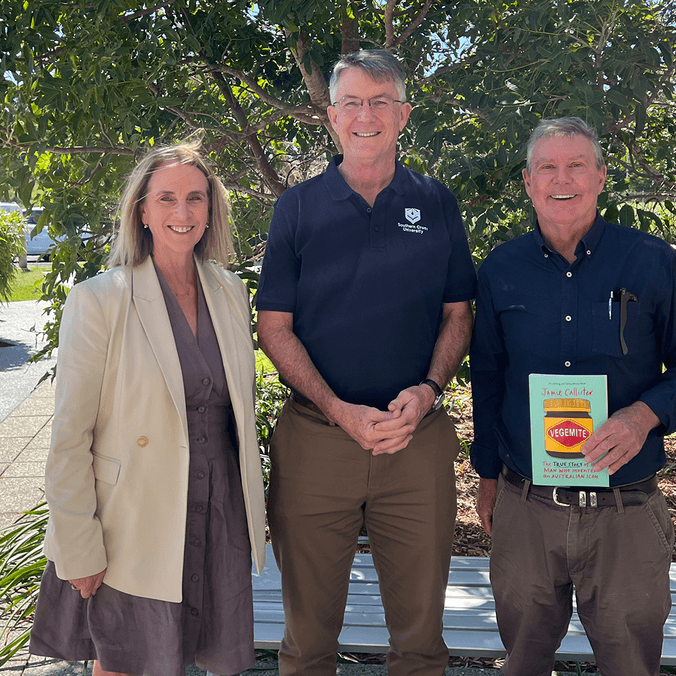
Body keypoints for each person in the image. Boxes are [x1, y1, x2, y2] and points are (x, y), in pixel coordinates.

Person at [256, 49, 476, 676]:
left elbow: (458, 315)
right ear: (331, 117)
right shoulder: (297, 208)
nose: (366, 114)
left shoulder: (437, 203)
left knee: (420, 642)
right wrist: (337, 408)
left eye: (380, 100)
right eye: (351, 101)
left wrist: (430, 390)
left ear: (404, 114)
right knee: (306, 641)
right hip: (317, 441)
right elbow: (273, 328)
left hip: (417, 440)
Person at [29, 138, 266, 676]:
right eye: (166, 199)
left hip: (216, 508)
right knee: (127, 664)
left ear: (211, 208)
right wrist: (78, 544)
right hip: (132, 520)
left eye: (195, 198)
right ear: (141, 210)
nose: (182, 213)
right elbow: (69, 436)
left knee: (198, 656)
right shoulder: (100, 299)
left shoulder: (229, 290)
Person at [470, 116, 676, 676]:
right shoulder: (499, 271)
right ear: (529, 183)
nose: (563, 179)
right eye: (548, 167)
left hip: (624, 514)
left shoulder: (653, 262)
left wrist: (643, 415)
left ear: (601, 177)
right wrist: (486, 480)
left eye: (577, 165)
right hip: (525, 511)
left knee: (632, 667)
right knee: (522, 662)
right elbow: (487, 380)